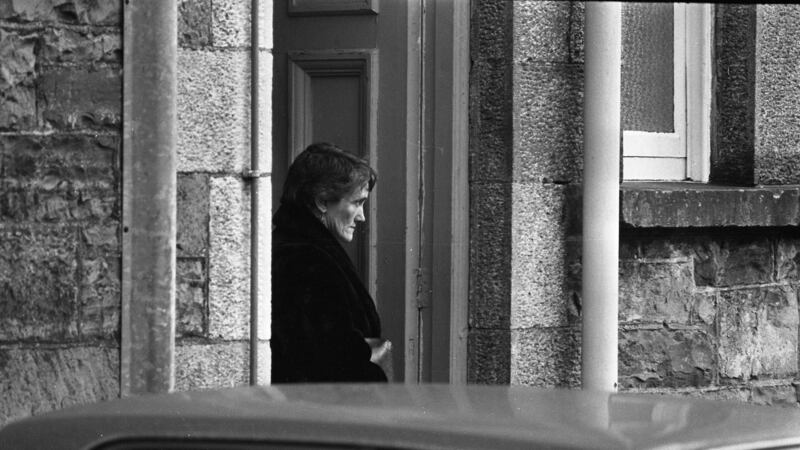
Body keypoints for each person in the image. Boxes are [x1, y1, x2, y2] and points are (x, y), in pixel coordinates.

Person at [271, 142, 389, 382]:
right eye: (357, 203)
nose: (362, 216)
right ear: (322, 201)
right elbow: (333, 358)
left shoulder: (303, 250)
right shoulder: (305, 261)